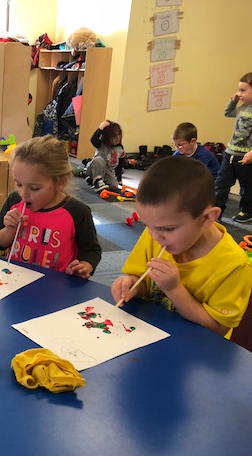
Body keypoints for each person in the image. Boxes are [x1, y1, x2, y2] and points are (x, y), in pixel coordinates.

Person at [111, 156, 252, 338]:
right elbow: (141, 280)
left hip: (198, 350)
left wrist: (174, 289)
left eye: (168, 228)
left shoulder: (234, 267)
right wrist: (131, 285)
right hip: (147, 334)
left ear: (207, 218)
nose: (154, 236)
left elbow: (218, 329)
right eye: (148, 225)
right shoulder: (157, 234)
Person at [0, 135, 101, 279]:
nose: (23, 193)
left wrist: (85, 266)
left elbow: (91, 250)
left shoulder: (77, 212)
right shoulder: (14, 201)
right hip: (14, 280)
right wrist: (10, 230)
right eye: (18, 184)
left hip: (56, 287)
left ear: (60, 182)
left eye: (34, 188)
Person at [215, 72, 252, 223]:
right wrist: (233, 100)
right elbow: (227, 112)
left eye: (243, 90)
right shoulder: (242, 107)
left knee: (247, 187)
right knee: (221, 184)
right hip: (229, 153)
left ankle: (247, 211)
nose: (239, 93)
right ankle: (216, 212)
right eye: (239, 90)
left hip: (246, 157)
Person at [85, 120, 125, 193]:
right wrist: (100, 128)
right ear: (107, 137)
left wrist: (119, 179)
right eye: (114, 136)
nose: (117, 138)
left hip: (107, 171)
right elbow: (93, 139)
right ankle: (97, 180)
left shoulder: (120, 149)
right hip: (95, 166)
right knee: (99, 160)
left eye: (119, 135)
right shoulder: (101, 144)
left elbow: (120, 165)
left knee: (114, 186)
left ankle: (93, 179)